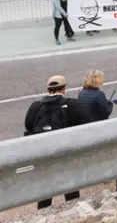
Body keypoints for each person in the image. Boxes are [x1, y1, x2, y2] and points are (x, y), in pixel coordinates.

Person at [25, 76, 90, 208]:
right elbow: (87, 124)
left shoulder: (36, 106)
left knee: (46, 186)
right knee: (70, 184)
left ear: (48, 89)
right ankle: (73, 210)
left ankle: (43, 214)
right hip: (65, 152)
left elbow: (28, 126)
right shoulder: (73, 104)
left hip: (43, 153)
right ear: (64, 88)